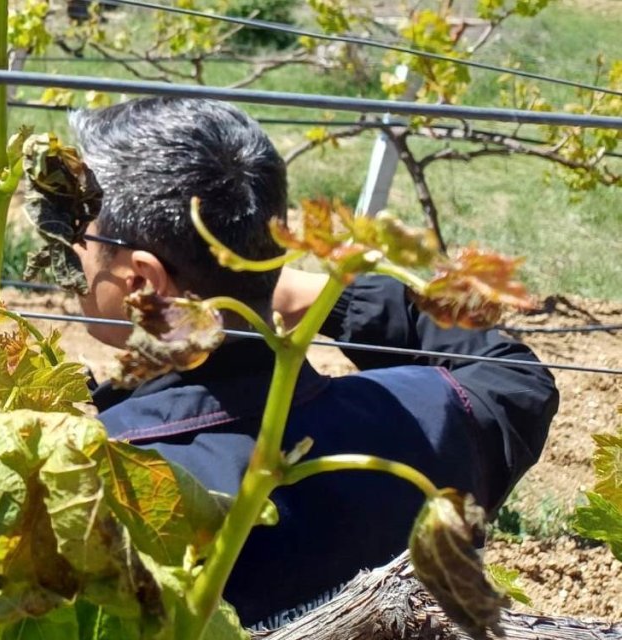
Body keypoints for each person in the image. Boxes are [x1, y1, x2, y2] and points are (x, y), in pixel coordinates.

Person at [69, 97, 558, 626]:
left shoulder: (93, 475)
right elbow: (515, 377)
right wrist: (324, 294)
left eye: (79, 234)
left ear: (142, 281)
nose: (70, 249)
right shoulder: (431, 418)